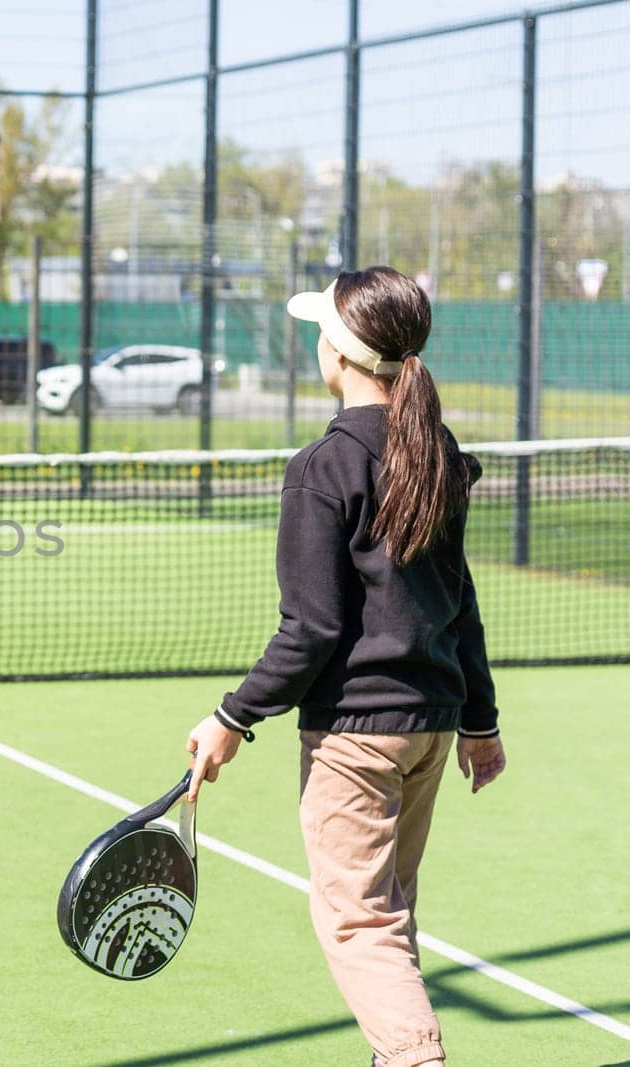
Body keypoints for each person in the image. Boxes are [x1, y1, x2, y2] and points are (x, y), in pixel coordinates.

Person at [184, 267, 506, 1067]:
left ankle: (410, 1056)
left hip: (357, 737)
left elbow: (311, 628)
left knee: (359, 921)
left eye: (318, 332)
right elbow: (458, 602)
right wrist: (480, 723)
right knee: (390, 910)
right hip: (430, 727)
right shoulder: (437, 452)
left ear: (338, 352)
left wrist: (232, 717)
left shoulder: (323, 466)